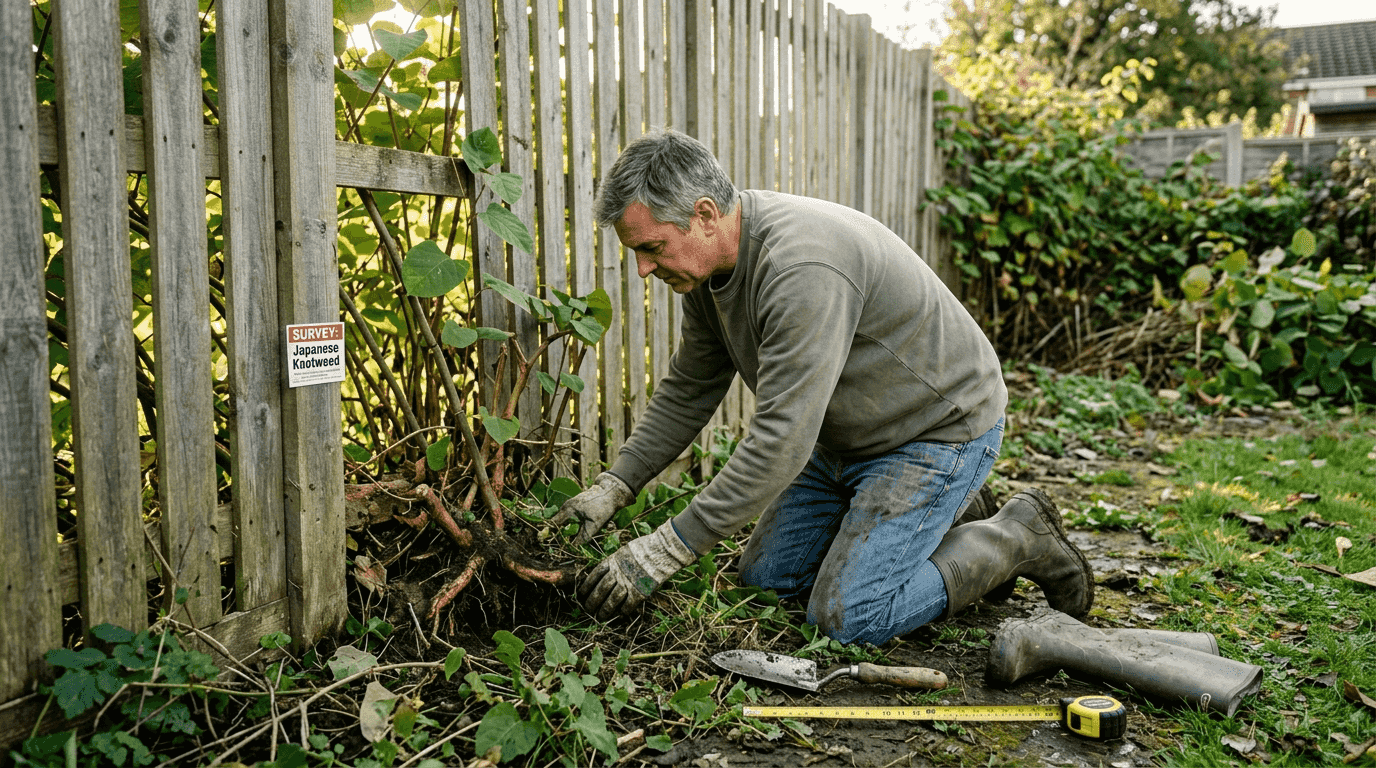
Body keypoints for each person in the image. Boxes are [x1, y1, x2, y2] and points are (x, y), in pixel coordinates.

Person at [555, 128, 1093, 645]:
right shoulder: (709, 269)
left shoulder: (800, 269)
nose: (644, 269)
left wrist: (665, 550)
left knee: (848, 617)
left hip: (936, 431)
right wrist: (615, 486)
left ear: (704, 215)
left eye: (652, 247)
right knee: (768, 581)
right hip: (847, 438)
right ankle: (947, 514)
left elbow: (782, 441)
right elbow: (690, 387)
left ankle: (1014, 536)